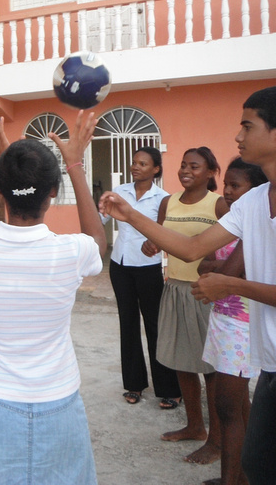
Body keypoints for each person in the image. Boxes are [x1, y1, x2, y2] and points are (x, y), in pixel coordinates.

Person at [99, 86, 276, 485]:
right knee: (259, 458)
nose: (238, 136)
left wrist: (231, 284)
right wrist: (130, 216)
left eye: (248, 126)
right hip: (270, 364)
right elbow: (193, 247)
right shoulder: (253, 201)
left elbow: (225, 270)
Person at [0, 112, 106, 484]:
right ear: (53, 192)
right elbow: (99, 241)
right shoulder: (70, 252)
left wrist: (4, 165)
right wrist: (75, 164)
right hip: (60, 402)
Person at [146, 147, 227, 463]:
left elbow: (234, 244)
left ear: (210, 173)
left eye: (194, 166)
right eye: (183, 165)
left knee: (211, 369)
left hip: (203, 292)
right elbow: (159, 238)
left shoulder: (217, 204)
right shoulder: (168, 202)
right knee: (182, 361)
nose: (185, 170)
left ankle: (218, 441)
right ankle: (195, 426)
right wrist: (150, 244)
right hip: (175, 288)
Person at [196, 157, 266, 485]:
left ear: (256, 192)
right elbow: (202, 264)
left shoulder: (252, 226)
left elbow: (226, 272)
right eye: (226, 185)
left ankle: (232, 481)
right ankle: (242, 475)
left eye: (236, 186)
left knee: (228, 408)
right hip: (224, 320)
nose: (227, 192)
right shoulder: (232, 222)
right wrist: (215, 270)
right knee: (239, 406)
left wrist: (217, 271)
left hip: (242, 326)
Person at [104, 147, 181, 408]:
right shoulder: (120, 193)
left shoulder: (163, 198)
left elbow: (164, 231)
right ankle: (134, 385)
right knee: (128, 323)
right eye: (134, 162)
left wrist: (156, 243)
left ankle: (169, 388)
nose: (136, 167)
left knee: (155, 326)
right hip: (120, 265)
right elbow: (101, 217)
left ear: (156, 169)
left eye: (143, 163)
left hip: (148, 267)